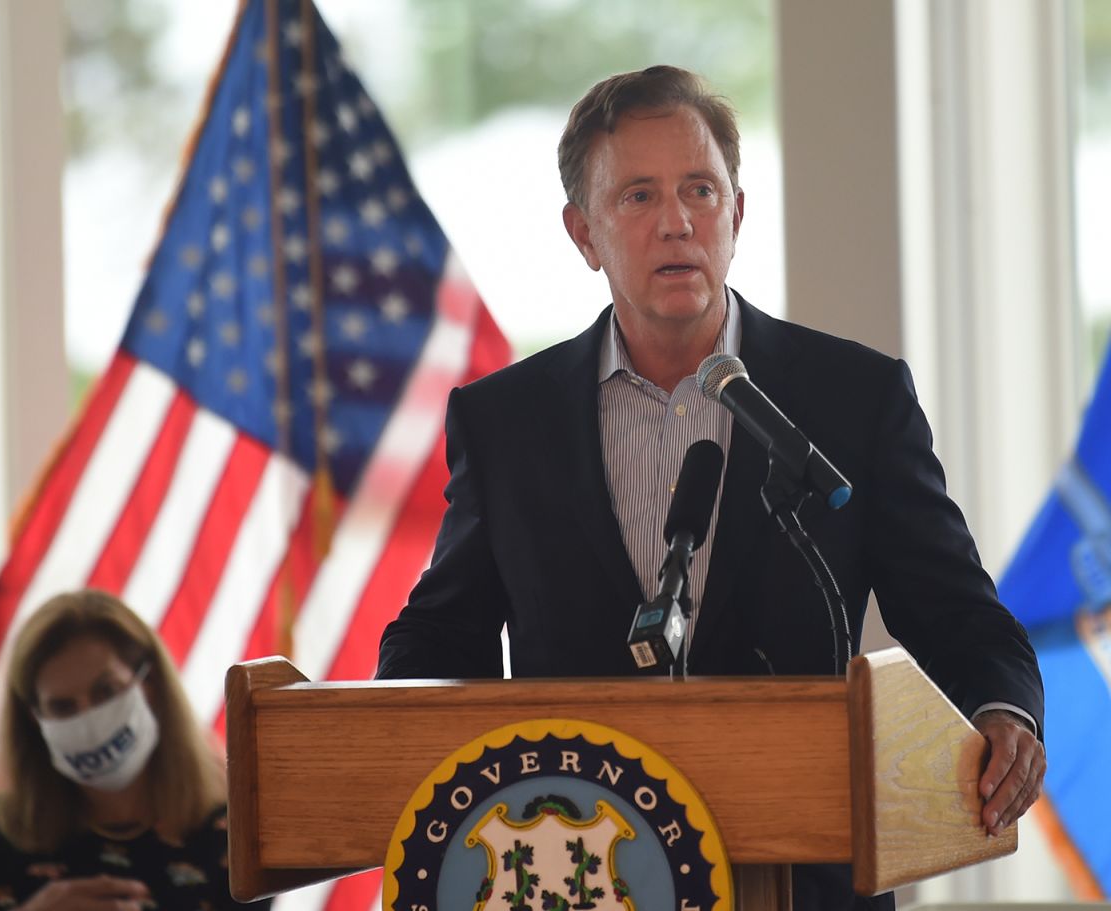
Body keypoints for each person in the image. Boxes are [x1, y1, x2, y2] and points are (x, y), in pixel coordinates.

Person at [376, 65, 1045, 910]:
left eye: (700, 189)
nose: (677, 222)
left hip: (811, 878)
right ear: (584, 234)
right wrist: (393, 729)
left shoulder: (851, 398)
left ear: (737, 213)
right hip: (582, 875)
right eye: (638, 197)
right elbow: (442, 633)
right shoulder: (506, 422)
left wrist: (1004, 710)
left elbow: (959, 616)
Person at [0, 589, 269, 911]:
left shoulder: (236, 831)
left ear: (149, 683)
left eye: (106, 691)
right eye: (63, 707)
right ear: (34, 720)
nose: (88, 718)